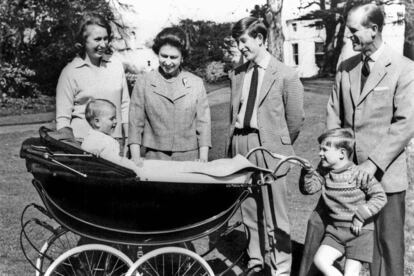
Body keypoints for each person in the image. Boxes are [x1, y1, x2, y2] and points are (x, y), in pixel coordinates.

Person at [298, 4, 414, 276]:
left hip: (384, 177)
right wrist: (334, 156)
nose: (348, 36)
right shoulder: (346, 68)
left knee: (386, 248)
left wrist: (372, 164)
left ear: (373, 29)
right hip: (341, 177)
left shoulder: (404, 69)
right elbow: (333, 113)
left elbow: (405, 123)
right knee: (319, 230)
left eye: (353, 30)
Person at [227, 17, 304, 276]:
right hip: (241, 144)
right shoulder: (238, 73)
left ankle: (280, 269)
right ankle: (255, 261)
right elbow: (234, 112)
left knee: (275, 213)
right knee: (248, 207)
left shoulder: (285, 74)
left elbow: (295, 120)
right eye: (237, 42)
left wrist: (277, 147)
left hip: (270, 148)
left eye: (244, 41)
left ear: (260, 39)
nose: (240, 47)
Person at [300, 128, 386, 276]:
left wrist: (361, 216)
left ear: (341, 153)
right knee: (320, 260)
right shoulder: (324, 172)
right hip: (335, 232)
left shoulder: (358, 174)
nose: (320, 153)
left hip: (359, 232)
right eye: (320, 149)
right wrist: (307, 173)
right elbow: (310, 189)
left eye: (324, 150)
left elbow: (380, 197)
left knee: (351, 272)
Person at [128, 27, 211, 163]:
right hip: (155, 156)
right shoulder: (143, 82)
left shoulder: (196, 83)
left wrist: (203, 158)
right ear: (157, 54)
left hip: (190, 156)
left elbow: (203, 123)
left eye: (173, 57)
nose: (167, 62)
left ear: (182, 57)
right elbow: (135, 123)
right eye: (163, 56)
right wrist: (136, 158)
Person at [56, 13, 130, 150]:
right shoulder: (70, 72)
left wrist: (129, 141)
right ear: (83, 41)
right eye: (97, 39)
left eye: (106, 38)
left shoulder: (116, 66)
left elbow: (125, 106)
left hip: (115, 142)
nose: (103, 44)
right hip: (83, 144)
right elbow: (62, 119)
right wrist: (71, 148)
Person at [81, 99, 139, 174]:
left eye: (115, 118)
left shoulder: (107, 138)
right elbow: (86, 153)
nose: (116, 121)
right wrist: (92, 152)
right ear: (97, 122)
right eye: (112, 119)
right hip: (102, 174)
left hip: (114, 172)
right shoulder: (93, 138)